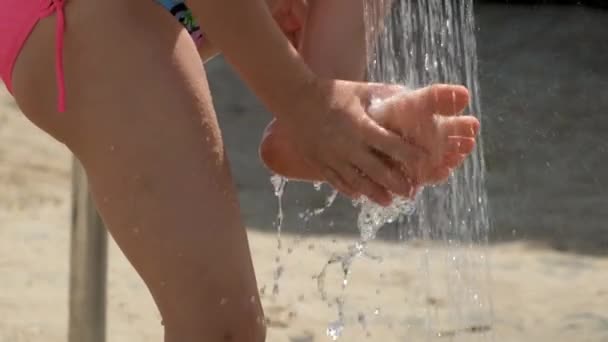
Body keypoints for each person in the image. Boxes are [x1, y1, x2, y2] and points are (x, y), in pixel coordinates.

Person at [0, 0, 479, 341]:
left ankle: (335, 97)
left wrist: (328, 100)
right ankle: (316, 111)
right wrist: (306, 104)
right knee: (219, 328)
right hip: (82, 12)